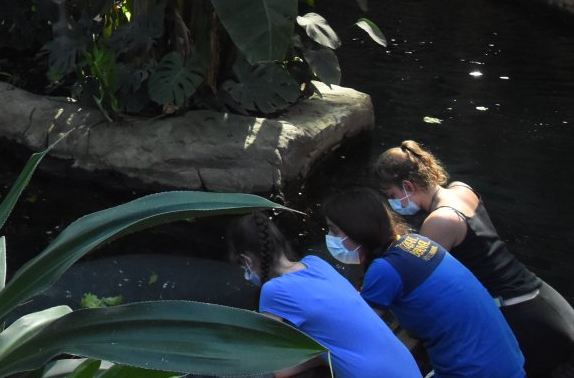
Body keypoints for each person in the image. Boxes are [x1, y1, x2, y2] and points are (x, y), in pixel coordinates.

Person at [374, 141, 574, 376]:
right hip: (541, 295)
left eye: (392, 195)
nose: (393, 203)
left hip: (518, 312)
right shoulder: (462, 189)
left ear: (408, 185)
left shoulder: (440, 221)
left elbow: (410, 274)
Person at [323, 188, 524, 378]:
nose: (330, 238)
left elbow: (355, 331)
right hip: (506, 360)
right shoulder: (416, 243)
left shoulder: (384, 270)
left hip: (474, 370)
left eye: (334, 231)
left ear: (357, 229)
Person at [227, 212, 420, 378]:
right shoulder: (316, 263)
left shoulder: (274, 290)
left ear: (246, 260)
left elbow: (273, 364)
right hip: (406, 366)